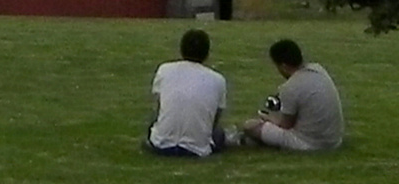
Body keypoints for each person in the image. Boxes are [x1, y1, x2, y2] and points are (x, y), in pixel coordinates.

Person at [242, 39, 344, 151]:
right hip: (334, 140)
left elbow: (285, 125)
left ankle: (250, 141)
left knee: (250, 125)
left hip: (309, 143)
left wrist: (268, 119)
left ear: (284, 66)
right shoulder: (318, 69)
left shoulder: (291, 86)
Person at [144, 28, 227, 156]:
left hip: (161, 144)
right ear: (207, 53)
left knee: (155, 123)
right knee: (219, 133)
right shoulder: (218, 79)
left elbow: (158, 107)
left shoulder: (164, 70)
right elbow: (215, 118)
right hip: (197, 148)